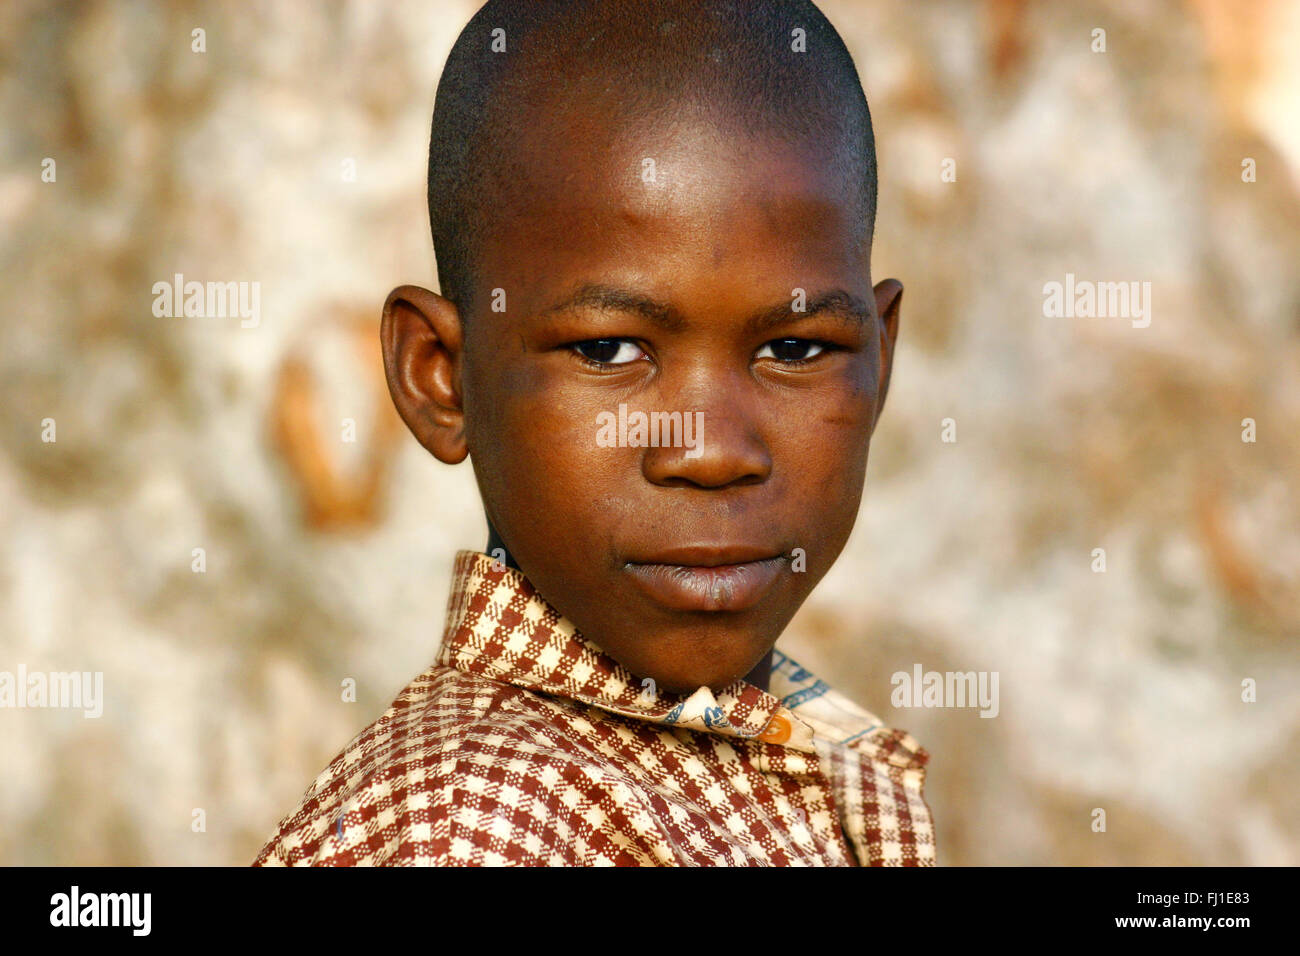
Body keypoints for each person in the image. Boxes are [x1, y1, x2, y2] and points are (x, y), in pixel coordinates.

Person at [255, 0, 935, 866]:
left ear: (879, 359)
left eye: (795, 348)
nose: (713, 449)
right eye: (610, 350)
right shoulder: (468, 830)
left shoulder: (794, 752)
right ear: (440, 377)